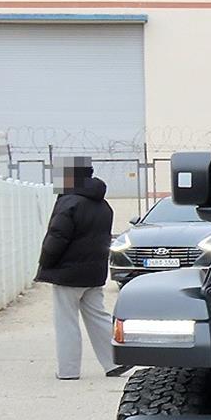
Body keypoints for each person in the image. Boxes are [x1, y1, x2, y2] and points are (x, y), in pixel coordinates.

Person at [36, 156, 130, 380]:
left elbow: (56, 238)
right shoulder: (103, 205)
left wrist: (45, 264)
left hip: (67, 274)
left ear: (70, 176)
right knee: (98, 317)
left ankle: (68, 370)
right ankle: (114, 362)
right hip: (93, 273)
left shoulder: (69, 202)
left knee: (66, 321)